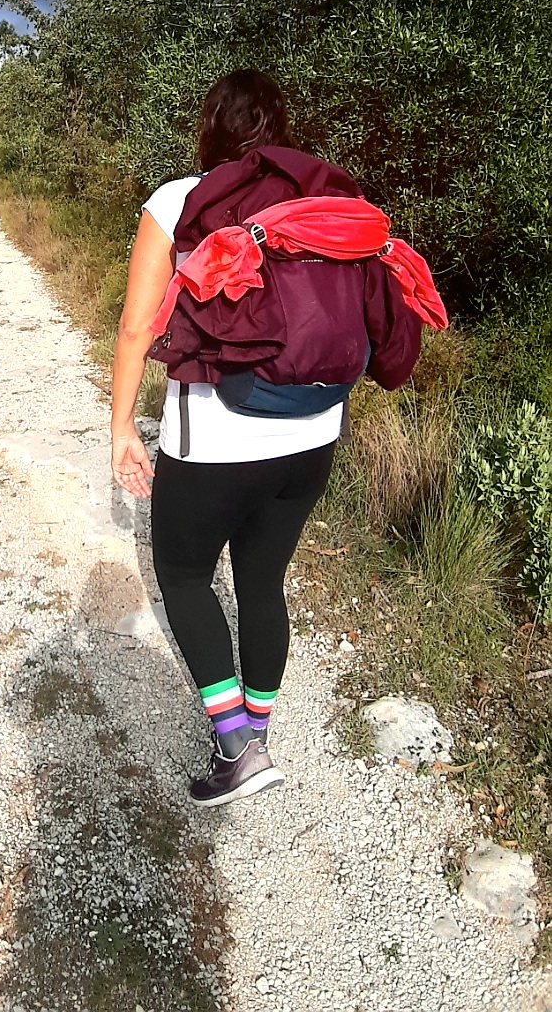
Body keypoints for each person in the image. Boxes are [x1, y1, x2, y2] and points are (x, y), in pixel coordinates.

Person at [110, 69, 432, 807]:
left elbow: (135, 327)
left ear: (209, 129)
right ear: (279, 133)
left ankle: (238, 748)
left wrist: (123, 426)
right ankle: (255, 733)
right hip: (314, 435)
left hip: (216, 440)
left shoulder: (178, 200)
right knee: (261, 581)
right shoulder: (322, 210)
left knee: (184, 577)